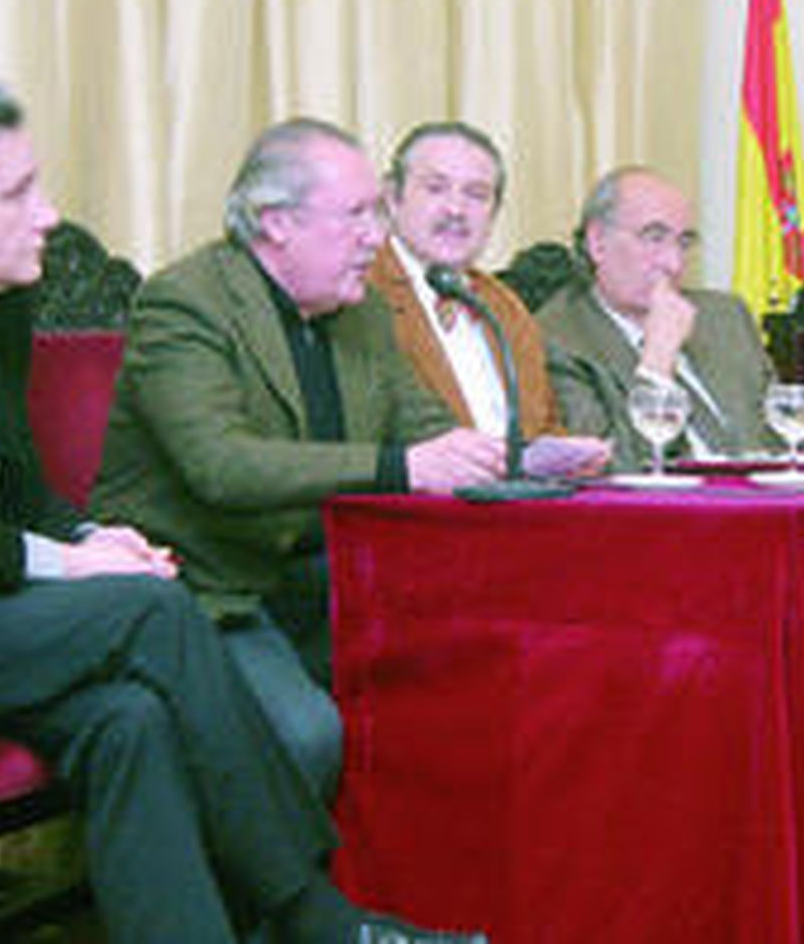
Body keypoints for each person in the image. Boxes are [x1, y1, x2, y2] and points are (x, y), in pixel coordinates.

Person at [0, 76, 482, 943]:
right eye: (19, 193)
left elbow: (12, 488)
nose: (49, 214)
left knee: (129, 720)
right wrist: (67, 563)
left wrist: (91, 533)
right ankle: (318, 917)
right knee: (152, 607)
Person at [93, 118, 505, 804]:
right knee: (305, 736)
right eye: (356, 214)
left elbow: (429, 435)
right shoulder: (187, 300)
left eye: (377, 214)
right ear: (276, 222)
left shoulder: (362, 312)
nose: (375, 237)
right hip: (207, 590)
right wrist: (399, 469)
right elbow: (219, 464)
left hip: (331, 581)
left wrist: (514, 458)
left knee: (468, 693)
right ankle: (279, 882)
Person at [536, 166, 781, 472]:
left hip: (765, 495)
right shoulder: (557, 339)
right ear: (597, 242)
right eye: (654, 238)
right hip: (672, 503)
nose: (673, 263)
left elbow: (787, 437)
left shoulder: (725, 316)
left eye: (684, 242)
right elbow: (614, 469)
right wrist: (657, 363)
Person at [367, 121, 562, 441]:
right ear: (391, 197)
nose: (456, 209)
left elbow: (545, 423)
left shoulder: (503, 305)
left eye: (476, 195)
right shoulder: (363, 291)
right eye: (436, 188)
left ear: (494, 213)